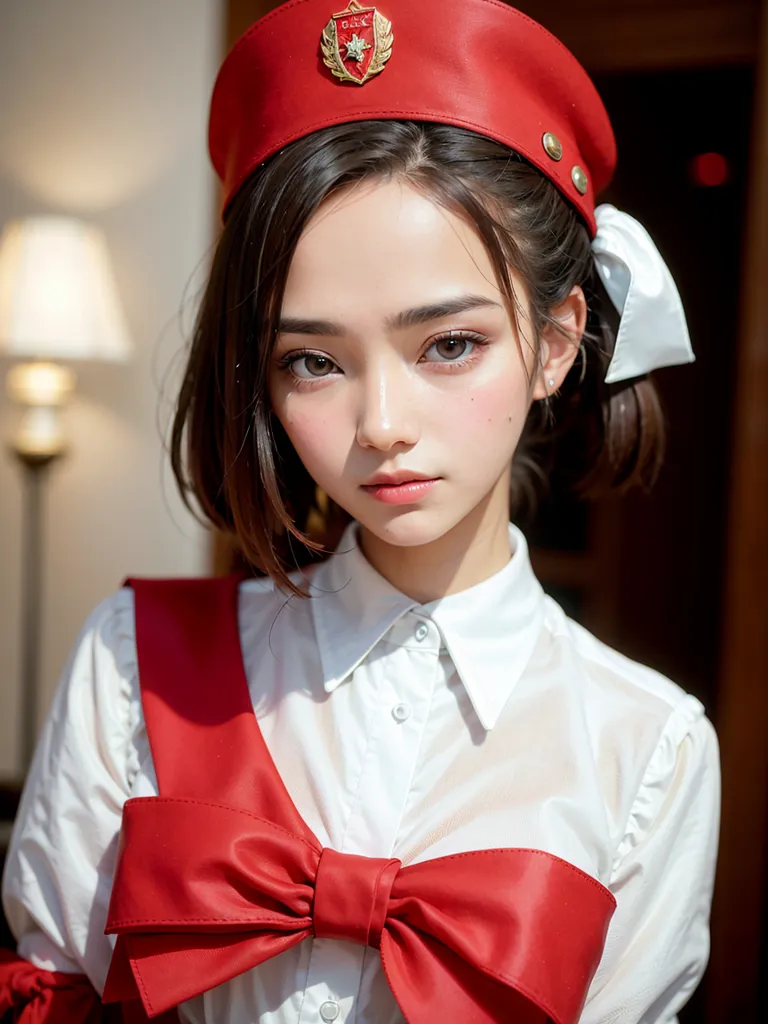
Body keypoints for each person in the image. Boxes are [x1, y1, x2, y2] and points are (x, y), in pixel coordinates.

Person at [0, 1, 720, 1022]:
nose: (381, 423)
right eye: (314, 361)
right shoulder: (130, 666)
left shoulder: (650, 746)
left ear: (557, 341)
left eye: (448, 345)